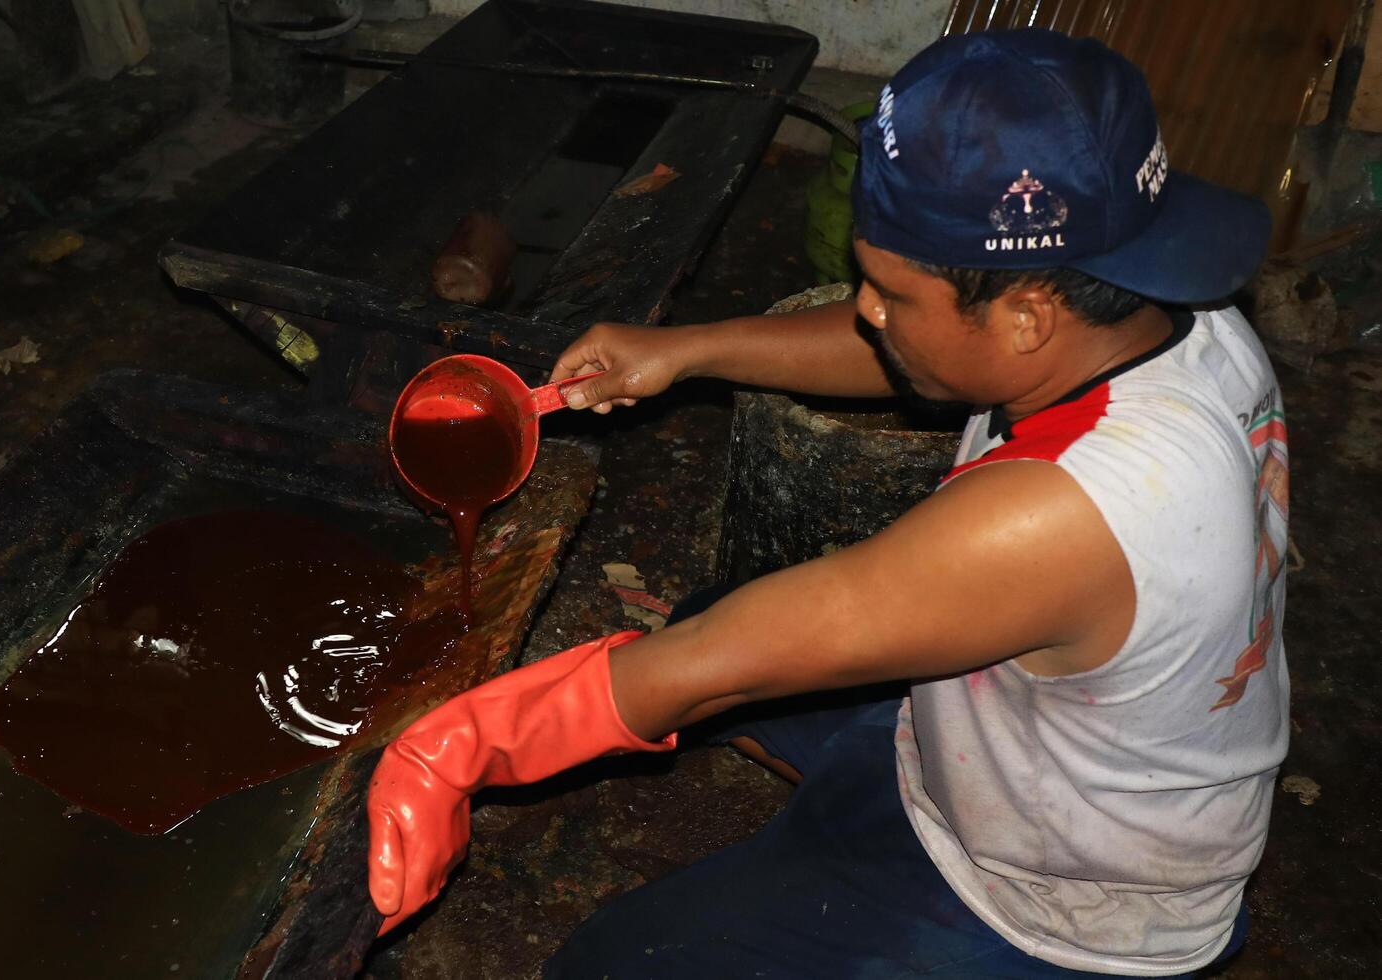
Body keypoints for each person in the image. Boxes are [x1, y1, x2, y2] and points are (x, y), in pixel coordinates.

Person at [366, 28, 1290, 978]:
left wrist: (452, 750)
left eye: (890, 291)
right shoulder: (1166, 313)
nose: (868, 312)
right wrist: (684, 350)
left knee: (607, 962)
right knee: (704, 620)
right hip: (1044, 741)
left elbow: (716, 666)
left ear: (1024, 316)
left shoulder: (1067, 510)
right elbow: (929, 348)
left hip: (1065, 895)